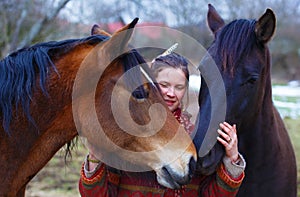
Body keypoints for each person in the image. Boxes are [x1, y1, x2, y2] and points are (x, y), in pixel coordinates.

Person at [78, 50, 246, 197]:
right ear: (149, 84)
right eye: (164, 85)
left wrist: (231, 160)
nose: (170, 93)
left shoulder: (196, 134)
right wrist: (94, 160)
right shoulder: (125, 133)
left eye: (179, 87)